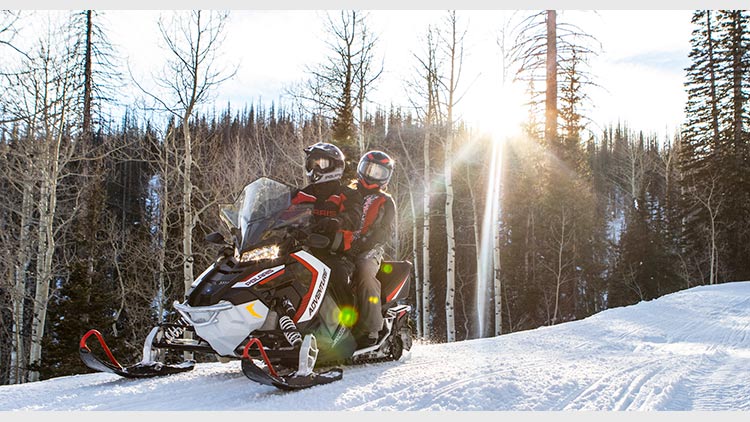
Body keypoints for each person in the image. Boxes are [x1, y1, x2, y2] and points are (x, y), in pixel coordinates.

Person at [292, 142, 362, 304]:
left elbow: (354, 215)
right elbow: (278, 210)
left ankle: (350, 318)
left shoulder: (347, 194)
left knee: (337, 276)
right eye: (312, 164)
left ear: (335, 166)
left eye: (321, 163)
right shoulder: (301, 194)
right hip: (300, 251)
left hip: (334, 253)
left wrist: (337, 221)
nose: (315, 168)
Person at [345, 150, 397, 348]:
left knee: (365, 271)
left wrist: (363, 243)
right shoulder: (348, 194)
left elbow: (384, 231)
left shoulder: (386, 201)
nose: (372, 175)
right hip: (341, 245)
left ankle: (371, 329)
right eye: (369, 169)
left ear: (386, 177)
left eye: (378, 172)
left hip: (370, 249)